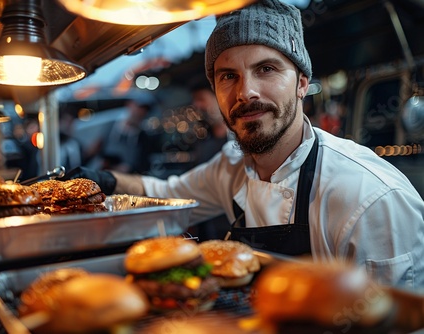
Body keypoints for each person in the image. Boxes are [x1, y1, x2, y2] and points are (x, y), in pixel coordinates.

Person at [63, 0, 424, 289]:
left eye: (266, 69)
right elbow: (166, 192)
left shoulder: (370, 198)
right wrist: (101, 180)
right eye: (228, 76)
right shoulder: (233, 167)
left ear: (301, 83)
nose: (246, 91)